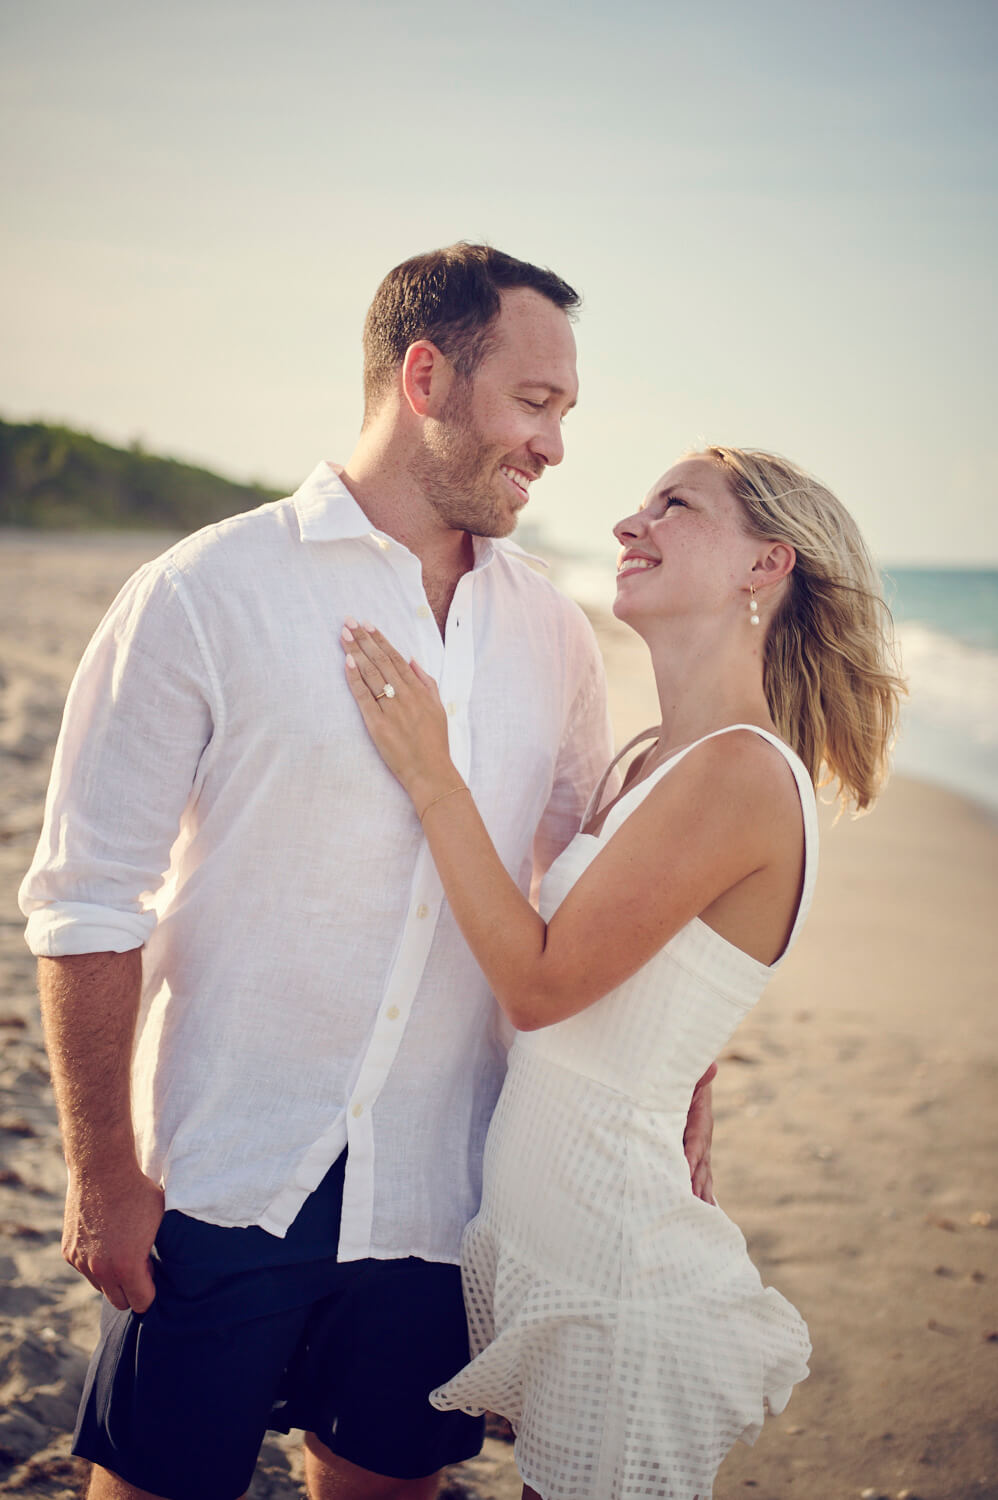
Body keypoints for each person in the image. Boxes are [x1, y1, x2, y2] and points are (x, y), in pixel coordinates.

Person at [18, 243, 715, 1500]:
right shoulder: (205, 592)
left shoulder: (552, 634)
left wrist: (684, 1093)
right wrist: (106, 1173)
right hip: (220, 1175)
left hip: (439, 1194)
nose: (555, 447)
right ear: (426, 375)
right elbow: (83, 900)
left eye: (566, 413)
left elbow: (587, 899)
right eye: (534, 403)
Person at [340, 445, 906, 1500]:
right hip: (560, 1244)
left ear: (762, 565)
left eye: (674, 506)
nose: (626, 524)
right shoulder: (650, 757)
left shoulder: (739, 770)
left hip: (618, 1272)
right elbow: (647, 978)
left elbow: (539, 984)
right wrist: (691, 1063)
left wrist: (431, 772)